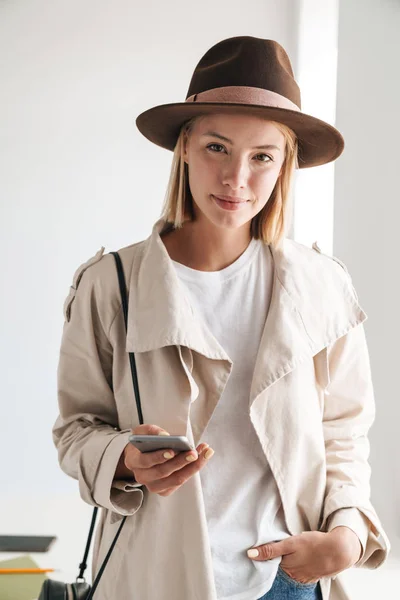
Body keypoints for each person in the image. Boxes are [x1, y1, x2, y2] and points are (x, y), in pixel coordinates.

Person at [53, 36, 390, 600]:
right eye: (216, 147)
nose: (236, 177)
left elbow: (345, 434)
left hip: (286, 578)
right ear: (184, 147)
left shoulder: (322, 285)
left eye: (262, 156)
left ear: (285, 165)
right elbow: (75, 432)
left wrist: (350, 534)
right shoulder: (111, 284)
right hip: (152, 577)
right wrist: (126, 459)